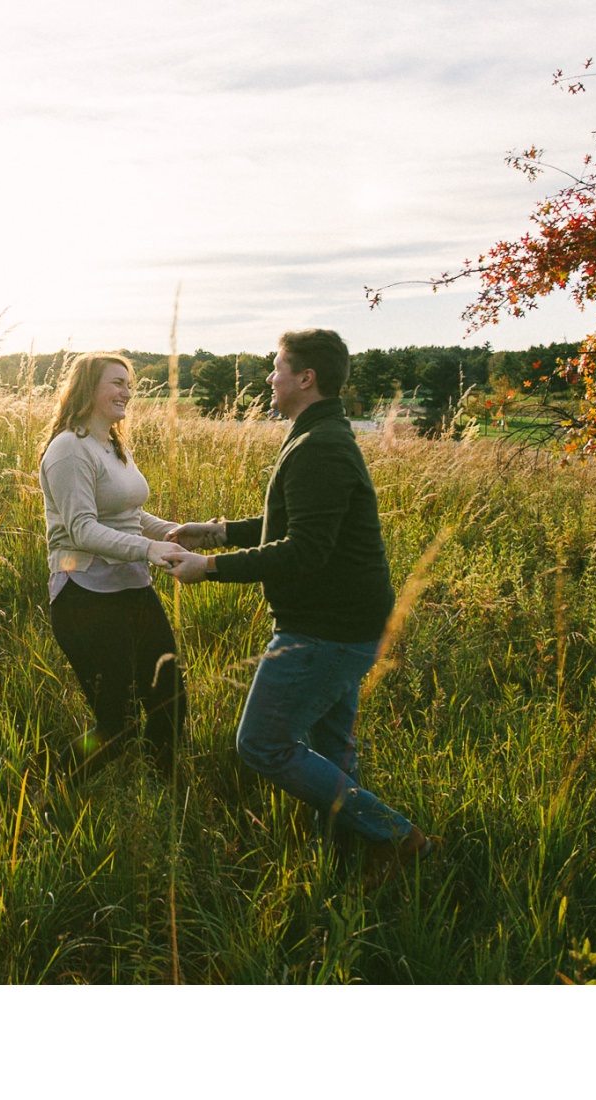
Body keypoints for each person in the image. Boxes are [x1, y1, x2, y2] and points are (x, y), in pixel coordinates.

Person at [165, 328, 432, 891]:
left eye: (277, 367)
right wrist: (212, 534)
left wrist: (208, 568)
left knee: (262, 744)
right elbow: (291, 524)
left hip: (326, 629)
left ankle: (394, 835)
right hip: (343, 621)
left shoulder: (321, 447)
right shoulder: (318, 434)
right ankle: (342, 855)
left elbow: (305, 550)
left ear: (306, 378)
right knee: (332, 746)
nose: (269, 377)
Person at [38, 352, 188, 778]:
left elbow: (131, 516)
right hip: (85, 596)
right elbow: (82, 529)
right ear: (88, 388)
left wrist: (174, 532)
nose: (127, 391)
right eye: (117, 383)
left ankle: (167, 795)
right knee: (117, 726)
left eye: (129, 384)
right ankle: (51, 791)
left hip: (131, 588)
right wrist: (146, 550)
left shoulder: (112, 444)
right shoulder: (69, 448)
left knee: (169, 698)